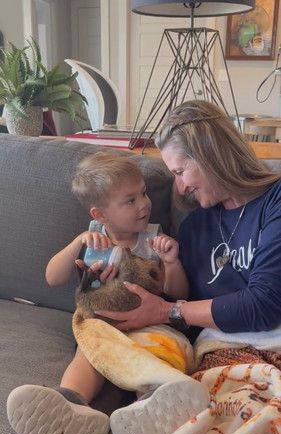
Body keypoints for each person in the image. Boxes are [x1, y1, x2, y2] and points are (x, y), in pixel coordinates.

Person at [7, 152, 209, 434]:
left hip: (148, 327)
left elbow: (178, 293)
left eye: (143, 193)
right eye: (130, 200)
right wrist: (78, 242)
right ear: (100, 215)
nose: (144, 204)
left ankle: (150, 406)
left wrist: (172, 261)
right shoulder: (92, 239)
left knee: (156, 351)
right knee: (90, 353)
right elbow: (52, 278)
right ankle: (71, 405)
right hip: (103, 328)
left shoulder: (154, 239)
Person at [93, 100, 281, 371]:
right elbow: (181, 311)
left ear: (211, 156)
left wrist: (165, 311)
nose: (179, 189)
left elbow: (264, 303)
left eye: (180, 172)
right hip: (219, 352)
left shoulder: (274, 200)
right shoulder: (194, 227)